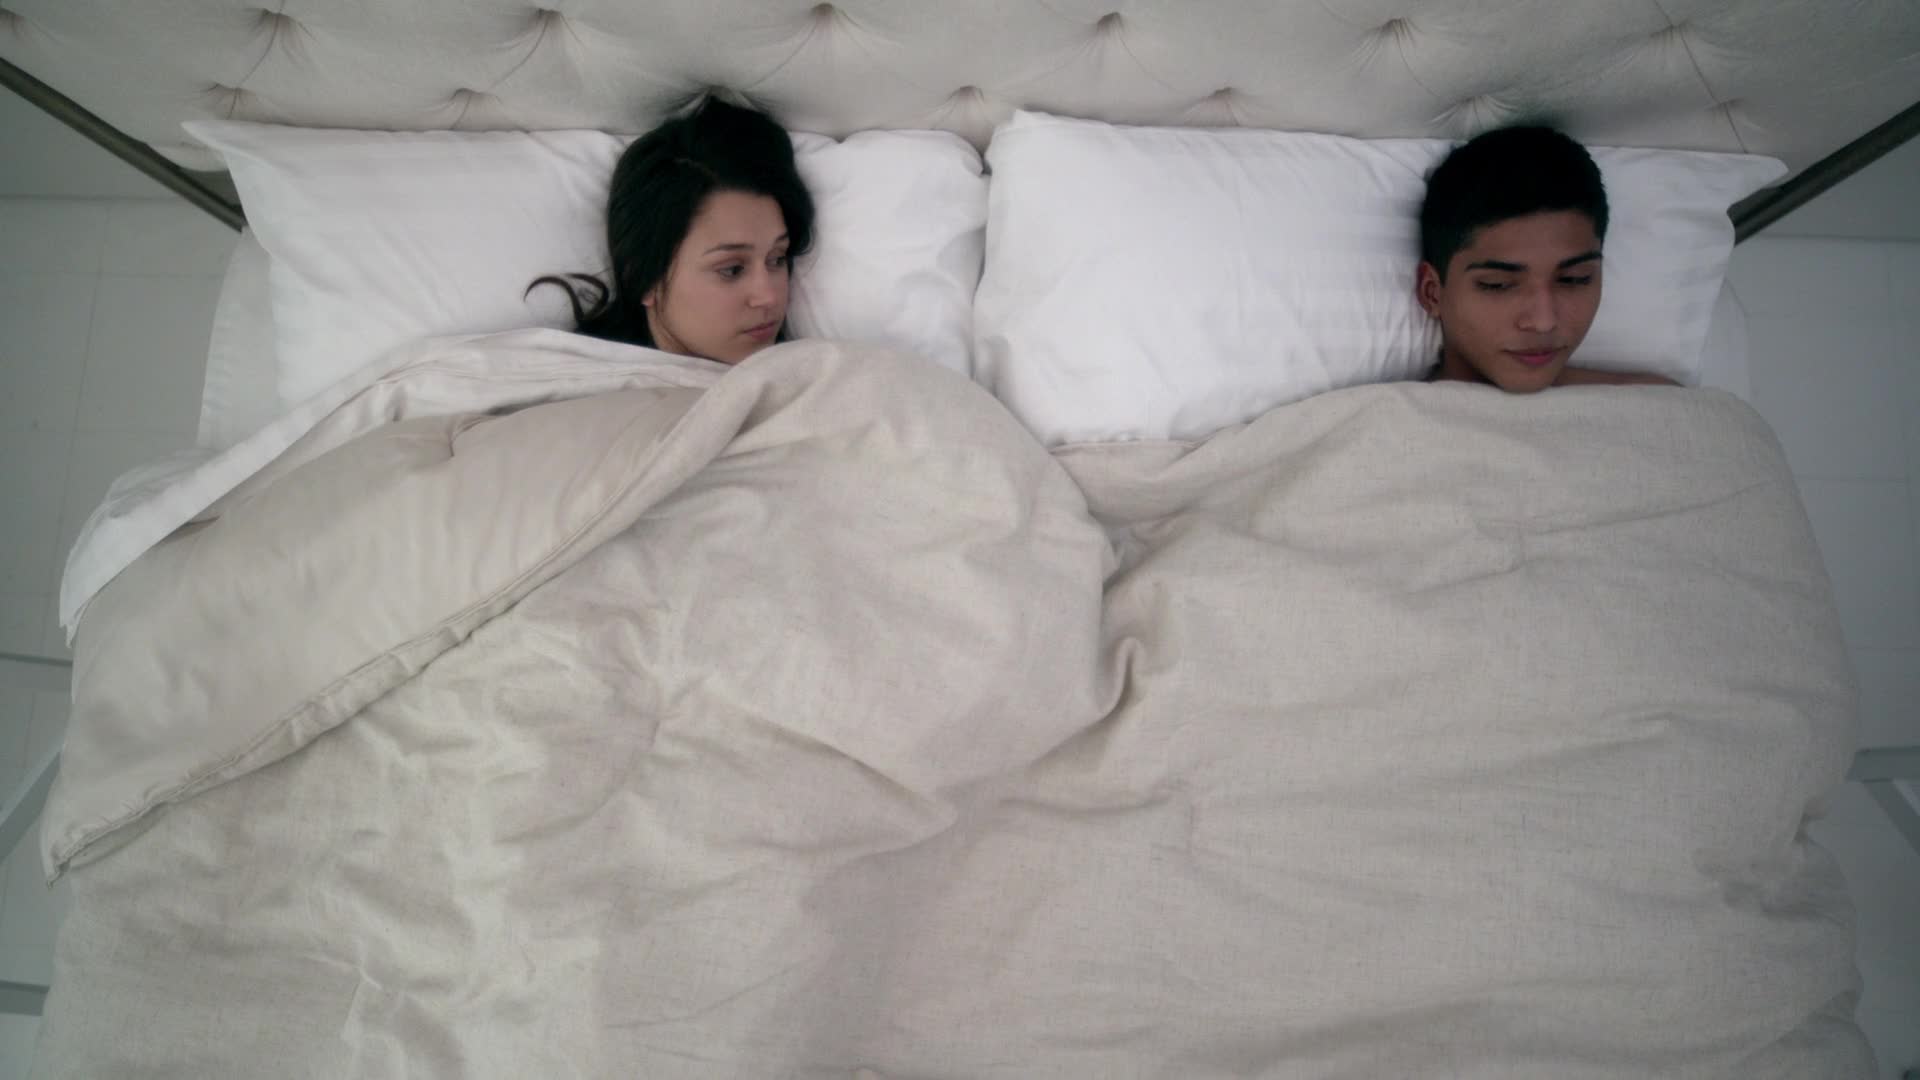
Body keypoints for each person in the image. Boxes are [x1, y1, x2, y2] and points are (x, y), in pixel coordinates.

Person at [531, 97, 815, 365]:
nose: (768, 296)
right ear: (643, 276)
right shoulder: (563, 381)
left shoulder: (818, 374)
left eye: (777, 259)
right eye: (732, 270)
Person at [1415, 125, 1675, 392]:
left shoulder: (1659, 404)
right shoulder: (1392, 414)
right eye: (1498, 285)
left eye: (1575, 279)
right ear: (1432, 293)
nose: (1544, 322)